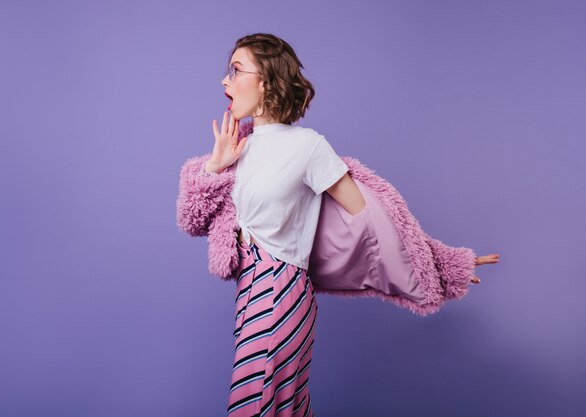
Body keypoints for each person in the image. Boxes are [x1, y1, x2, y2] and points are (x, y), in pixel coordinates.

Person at [196, 33, 499, 417]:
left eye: (236, 70)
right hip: (248, 291)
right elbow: (195, 218)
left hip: (281, 288)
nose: (225, 80)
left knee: (255, 407)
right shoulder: (240, 146)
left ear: (267, 81)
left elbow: (377, 218)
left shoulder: (307, 146)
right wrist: (214, 167)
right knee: (277, 409)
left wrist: (443, 261)